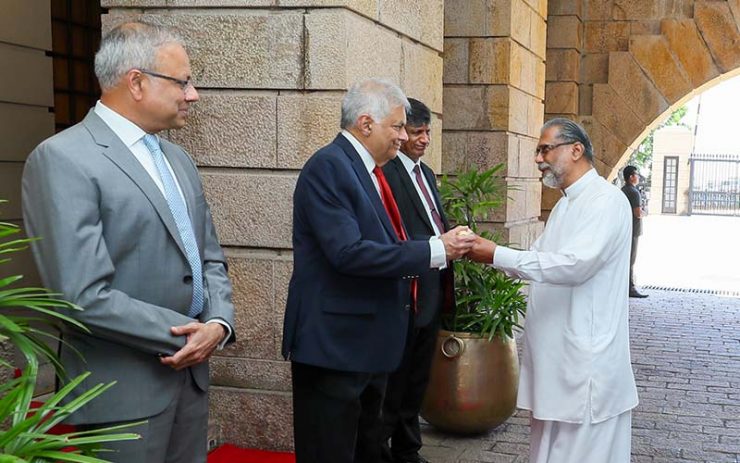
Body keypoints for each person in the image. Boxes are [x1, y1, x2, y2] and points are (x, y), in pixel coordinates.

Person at [22, 22, 235, 463]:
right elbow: (80, 294)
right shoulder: (62, 158)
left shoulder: (178, 159)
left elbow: (208, 257)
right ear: (136, 82)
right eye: (182, 82)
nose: (193, 94)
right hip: (121, 393)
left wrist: (218, 324)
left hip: (190, 383)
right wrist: (186, 335)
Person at [282, 79, 475, 463]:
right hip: (336, 349)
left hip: (366, 347)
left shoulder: (370, 170)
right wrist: (436, 249)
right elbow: (348, 253)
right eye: (398, 126)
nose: (404, 136)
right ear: (366, 123)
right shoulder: (329, 167)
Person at [467, 118, 638, 463]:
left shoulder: (605, 201)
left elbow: (575, 265)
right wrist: (483, 252)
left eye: (545, 149)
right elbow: (538, 258)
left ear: (576, 150)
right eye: (537, 151)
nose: (538, 158)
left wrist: (495, 253)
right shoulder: (565, 204)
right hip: (557, 361)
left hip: (585, 365)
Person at [380, 98, 452, 463]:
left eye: (427, 132)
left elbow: (433, 223)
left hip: (433, 287)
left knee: (418, 376)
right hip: (405, 289)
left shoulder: (426, 173)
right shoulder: (386, 173)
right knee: (395, 378)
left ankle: (408, 449)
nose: (423, 139)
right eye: (416, 132)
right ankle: (383, 449)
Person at [622, 165, 648, 298]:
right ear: (631, 177)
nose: (638, 177)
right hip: (634, 230)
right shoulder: (634, 192)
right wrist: (645, 212)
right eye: (636, 175)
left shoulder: (623, 190)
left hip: (624, 229)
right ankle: (630, 287)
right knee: (631, 260)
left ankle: (623, 286)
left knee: (624, 259)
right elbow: (638, 213)